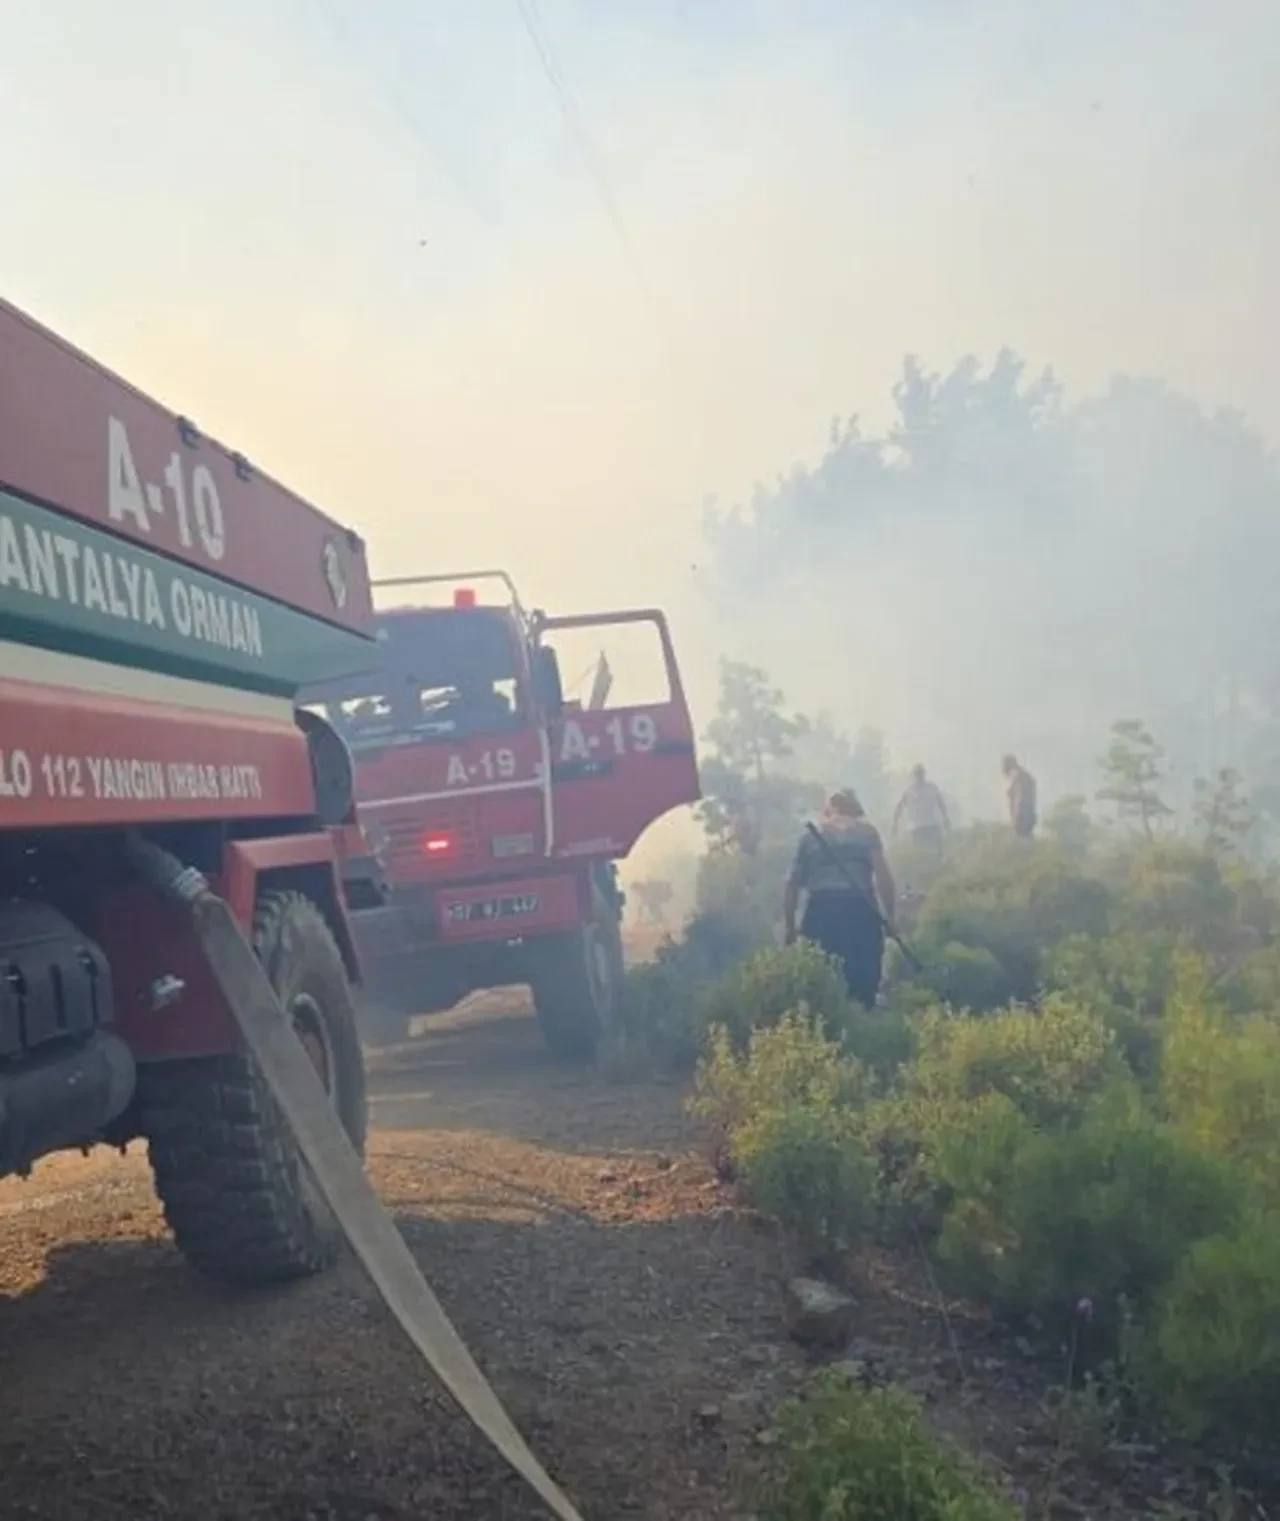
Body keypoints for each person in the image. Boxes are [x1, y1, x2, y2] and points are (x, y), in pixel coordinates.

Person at [783, 788, 897, 1009]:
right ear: (855, 810)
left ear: (829, 810)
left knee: (821, 982)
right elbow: (884, 876)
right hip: (860, 912)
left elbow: (792, 884)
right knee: (864, 981)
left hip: (821, 913)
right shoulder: (867, 834)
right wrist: (891, 917)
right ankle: (866, 1023)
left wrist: (790, 927)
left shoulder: (810, 837)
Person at [892, 763, 951, 852]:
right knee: (920, 853)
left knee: (938, 851)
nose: (919, 776)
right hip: (917, 828)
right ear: (915, 775)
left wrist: (946, 819)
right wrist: (895, 824)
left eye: (921, 773)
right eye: (918, 773)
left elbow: (941, 803)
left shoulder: (931, 787)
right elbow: (899, 807)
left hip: (931, 825)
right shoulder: (909, 791)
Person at [1002, 753, 1037, 839]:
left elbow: (1022, 800)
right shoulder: (1020, 777)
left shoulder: (1022, 778)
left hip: (1023, 820)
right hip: (1023, 819)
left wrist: (1016, 818)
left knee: (1022, 843)